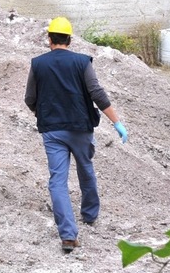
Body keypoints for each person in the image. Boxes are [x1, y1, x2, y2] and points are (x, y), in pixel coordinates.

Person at [24, 16, 128, 255]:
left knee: (57, 181)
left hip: (52, 130)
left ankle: (68, 235)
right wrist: (117, 123)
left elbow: (30, 98)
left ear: (49, 39)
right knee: (85, 167)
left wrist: (43, 113)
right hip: (81, 129)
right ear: (70, 40)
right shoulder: (82, 63)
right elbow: (97, 93)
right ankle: (90, 214)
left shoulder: (38, 64)